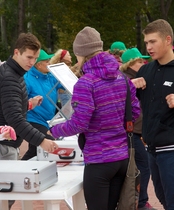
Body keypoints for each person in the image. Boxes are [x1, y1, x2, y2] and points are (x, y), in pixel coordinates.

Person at [50, 26, 140, 210]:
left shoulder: (86, 82)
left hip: (99, 160)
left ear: (81, 54)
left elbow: (79, 123)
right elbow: (135, 112)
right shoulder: (122, 78)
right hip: (122, 157)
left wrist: (54, 130)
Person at [0, 33, 59, 209]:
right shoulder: (10, 77)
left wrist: (28, 104)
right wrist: (41, 140)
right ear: (16, 52)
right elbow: (14, 118)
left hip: (5, 143)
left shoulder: (14, 73)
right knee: (3, 200)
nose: (32, 62)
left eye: (35, 58)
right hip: (3, 145)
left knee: (5, 199)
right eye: (29, 57)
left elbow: (8, 107)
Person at [132, 19, 174, 210]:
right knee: (164, 199)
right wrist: (130, 88)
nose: (148, 47)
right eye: (146, 42)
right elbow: (127, 104)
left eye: (153, 41)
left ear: (167, 40)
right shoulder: (145, 70)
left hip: (172, 150)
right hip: (152, 150)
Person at [120, 48, 156, 210]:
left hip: (136, 132)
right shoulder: (127, 80)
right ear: (131, 63)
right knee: (144, 166)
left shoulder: (136, 78)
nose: (144, 63)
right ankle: (141, 203)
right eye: (140, 61)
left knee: (139, 167)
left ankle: (138, 202)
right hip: (130, 133)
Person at [21, 49, 63, 160]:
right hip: (34, 119)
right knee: (46, 143)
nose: (49, 63)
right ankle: (22, 169)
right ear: (38, 65)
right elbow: (22, 100)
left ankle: (23, 167)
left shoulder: (50, 76)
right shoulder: (27, 79)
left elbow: (64, 84)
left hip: (48, 119)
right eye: (47, 61)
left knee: (34, 150)